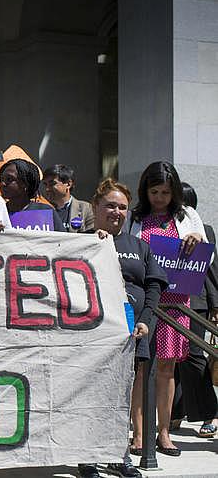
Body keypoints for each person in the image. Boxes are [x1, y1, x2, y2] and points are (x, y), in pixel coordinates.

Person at [79, 178, 166, 478]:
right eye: (110, 206)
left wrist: (145, 320)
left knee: (122, 395)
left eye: (122, 207)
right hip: (91, 332)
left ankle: (119, 455)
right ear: (95, 207)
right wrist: (94, 242)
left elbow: (154, 287)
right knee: (90, 394)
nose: (116, 212)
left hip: (131, 331)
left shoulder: (140, 246)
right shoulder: (80, 239)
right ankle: (88, 457)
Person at [128, 161, 207, 457]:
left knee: (166, 368)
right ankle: (138, 432)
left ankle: (163, 431)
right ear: (145, 191)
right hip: (144, 299)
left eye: (165, 192)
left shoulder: (188, 215)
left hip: (176, 301)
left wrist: (197, 240)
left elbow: (205, 258)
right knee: (140, 367)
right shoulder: (135, 218)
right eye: (154, 191)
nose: (160, 198)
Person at [171, 182, 218, 438]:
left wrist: (215, 303)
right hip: (168, 300)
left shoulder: (203, 229)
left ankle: (209, 412)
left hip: (196, 301)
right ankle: (176, 411)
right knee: (171, 360)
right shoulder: (162, 226)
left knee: (193, 356)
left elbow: (212, 269)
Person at [0, 159, 65, 231]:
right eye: (1, 179)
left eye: (9, 179)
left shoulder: (45, 212)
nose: (2, 184)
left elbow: (63, 241)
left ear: (25, 183)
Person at [41, 164, 94, 232]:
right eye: (45, 184)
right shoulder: (42, 210)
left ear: (68, 184)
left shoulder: (86, 209)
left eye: (52, 184)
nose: (47, 189)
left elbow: (92, 237)